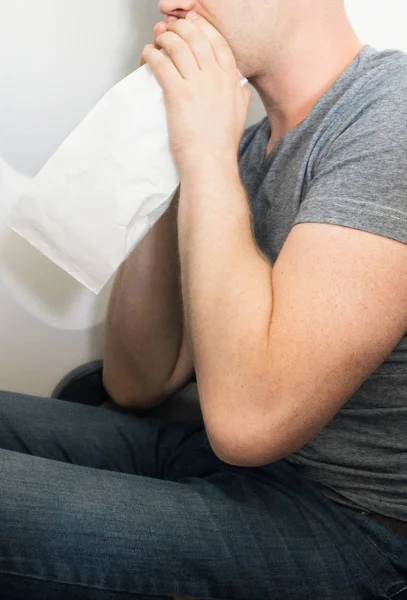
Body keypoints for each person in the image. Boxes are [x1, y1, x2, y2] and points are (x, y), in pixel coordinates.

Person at [1, 0, 407, 598]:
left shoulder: (389, 118)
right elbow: (138, 380)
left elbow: (250, 422)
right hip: (228, 466)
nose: (169, 5)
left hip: (352, 524)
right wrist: (172, 159)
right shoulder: (240, 147)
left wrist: (205, 157)